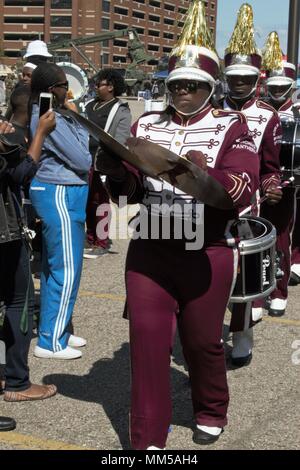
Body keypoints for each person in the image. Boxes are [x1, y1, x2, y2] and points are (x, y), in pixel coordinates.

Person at [100, 0, 259, 449]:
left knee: (202, 342)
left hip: (207, 249)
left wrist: (202, 175)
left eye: (192, 85)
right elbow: (129, 192)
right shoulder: (147, 123)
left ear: (210, 88)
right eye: (176, 85)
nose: (182, 93)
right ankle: (147, 439)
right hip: (151, 246)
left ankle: (211, 407)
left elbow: (242, 184)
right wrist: (115, 169)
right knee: (147, 346)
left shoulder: (233, 125)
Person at [221, 4, 282, 366]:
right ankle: (211, 331)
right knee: (209, 275)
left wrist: (272, 184)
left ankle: (242, 332)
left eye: (245, 79)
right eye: (233, 78)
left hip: (248, 207)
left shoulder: (268, 116)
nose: (239, 84)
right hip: (209, 206)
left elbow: (271, 166)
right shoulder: (211, 111)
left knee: (244, 278)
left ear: (257, 79)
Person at [29, 63, 92, 360]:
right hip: (59, 192)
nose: (68, 89)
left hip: (65, 192)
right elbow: (82, 158)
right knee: (66, 269)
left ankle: (58, 330)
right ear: (51, 89)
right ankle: (51, 341)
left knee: (56, 267)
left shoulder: (59, 115)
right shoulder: (48, 117)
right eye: (63, 84)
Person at [0, 113, 58, 402]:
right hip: (4, 234)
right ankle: (17, 382)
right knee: (18, 303)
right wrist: (40, 135)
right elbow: (22, 173)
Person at [253, 31, 300, 316]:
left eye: (283, 85)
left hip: (285, 183)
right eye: (274, 85)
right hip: (252, 181)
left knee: (280, 236)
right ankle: (256, 293)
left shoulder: (297, 112)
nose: (278, 90)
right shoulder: (256, 109)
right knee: (253, 238)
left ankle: (279, 289)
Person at [84, 68, 131, 259]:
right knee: (86, 201)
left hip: (103, 162)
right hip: (83, 160)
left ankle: (101, 241)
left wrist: (111, 162)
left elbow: (121, 139)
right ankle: (89, 237)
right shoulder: (89, 104)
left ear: (110, 87)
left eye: (100, 84)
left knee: (100, 202)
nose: (96, 87)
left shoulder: (121, 110)